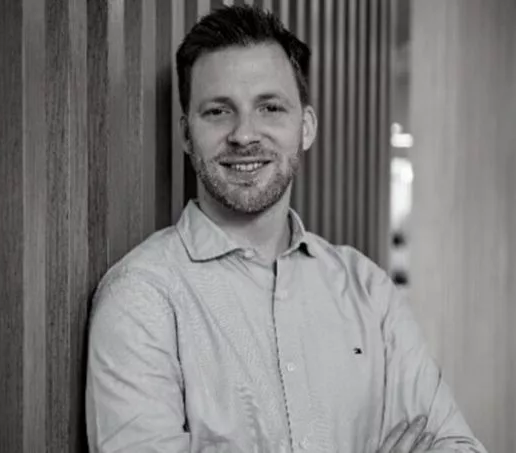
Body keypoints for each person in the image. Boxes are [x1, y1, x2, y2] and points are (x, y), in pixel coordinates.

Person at [85, 5, 486, 453]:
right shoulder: (140, 298)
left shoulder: (367, 290)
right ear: (185, 134)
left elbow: (457, 445)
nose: (244, 135)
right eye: (218, 111)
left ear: (305, 127)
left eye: (270, 108)